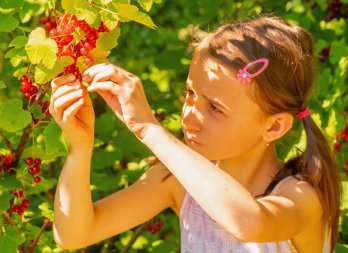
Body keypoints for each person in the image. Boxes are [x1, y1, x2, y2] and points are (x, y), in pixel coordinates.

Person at [50, 15, 342, 252]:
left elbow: (248, 222)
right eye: (190, 93)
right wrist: (79, 148)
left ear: (274, 126)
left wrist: (149, 128)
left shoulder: (300, 196)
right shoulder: (178, 184)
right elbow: (74, 235)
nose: (190, 116)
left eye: (215, 108)